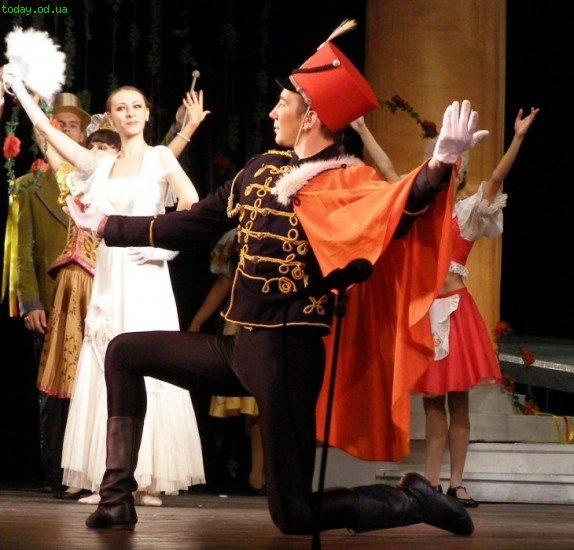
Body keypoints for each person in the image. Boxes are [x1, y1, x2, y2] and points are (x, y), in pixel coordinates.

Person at [11, 28, 481, 536]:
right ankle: (116, 500)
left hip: (289, 359)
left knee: (295, 515)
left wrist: (438, 167)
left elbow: (398, 209)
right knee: (123, 352)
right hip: (241, 349)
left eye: (283, 105)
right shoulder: (260, 170)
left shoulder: (347, 181)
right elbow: (192, 223)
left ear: (310, 117)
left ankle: (411, 499)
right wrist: (106, 226)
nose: (273, 113)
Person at [2, 71, 209, 506]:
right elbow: (48, 133)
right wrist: (19, 89)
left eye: (136, 107)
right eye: (120, 108)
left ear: (147, 114)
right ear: (110, 118)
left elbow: (191, 204)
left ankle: (148, 479)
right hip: (111, 275)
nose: (129, 113)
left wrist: (163, 248)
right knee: (105, 363)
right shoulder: (101, 164)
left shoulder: (159, 158)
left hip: (147, 275)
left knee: (150, 364)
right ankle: (108, 478)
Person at [353, 108, 539, 507]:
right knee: (433, 405)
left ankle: (456, 482)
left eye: (453, 170)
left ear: (459, 174)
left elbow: (496, 179)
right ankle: (431, 484)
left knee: (459, 403)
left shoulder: (466, 213)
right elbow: (388, 171)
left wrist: (518, 138)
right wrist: (364, 129)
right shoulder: (418, 212)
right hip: (425, 314)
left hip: (456, 315)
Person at [35, 122, 120, 502]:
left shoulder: (123, 184)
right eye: (94, 146)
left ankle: (102, 472)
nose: (99, 152)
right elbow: (50, 149)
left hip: (105, 284)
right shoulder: (75, 181)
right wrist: (33, 107)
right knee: (73, 380)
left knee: (103, 376)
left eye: (107, 147)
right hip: (72, 285)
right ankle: (74, 470)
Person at [15, 92, 90, 493]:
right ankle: (57, 470)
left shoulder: (98, 180)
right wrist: (30, 301)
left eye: (73, 125)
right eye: (58, 124)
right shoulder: (30, 188)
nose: (66, 130)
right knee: (52, 391)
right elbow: (23, 249)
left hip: (93, 299)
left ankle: (89, 469)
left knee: (91, 386)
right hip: (51, 301)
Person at [188, 228, 265, 495]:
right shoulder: (238, 236)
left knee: (262, 404)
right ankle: (253, 474)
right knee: (254, 404)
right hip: (245, 321)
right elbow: (225, 282)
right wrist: (197, 322)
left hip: (267, 319)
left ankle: (261, 474)